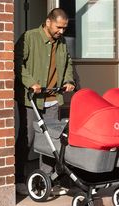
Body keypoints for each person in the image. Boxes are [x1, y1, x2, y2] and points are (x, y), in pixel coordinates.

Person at [14, 8, 75, 195]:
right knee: (29, 138)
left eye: (64, 28)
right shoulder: (29, 37)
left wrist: (69, 80)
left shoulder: (62, 42)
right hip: (31, 99)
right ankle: (18, 180)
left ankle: (47, 180)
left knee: (50, 141)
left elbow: (68, 64)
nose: (62, 32)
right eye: (59, 27)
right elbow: (17, 62)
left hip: (52, 98)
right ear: (48, 22)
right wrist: (31, 82)